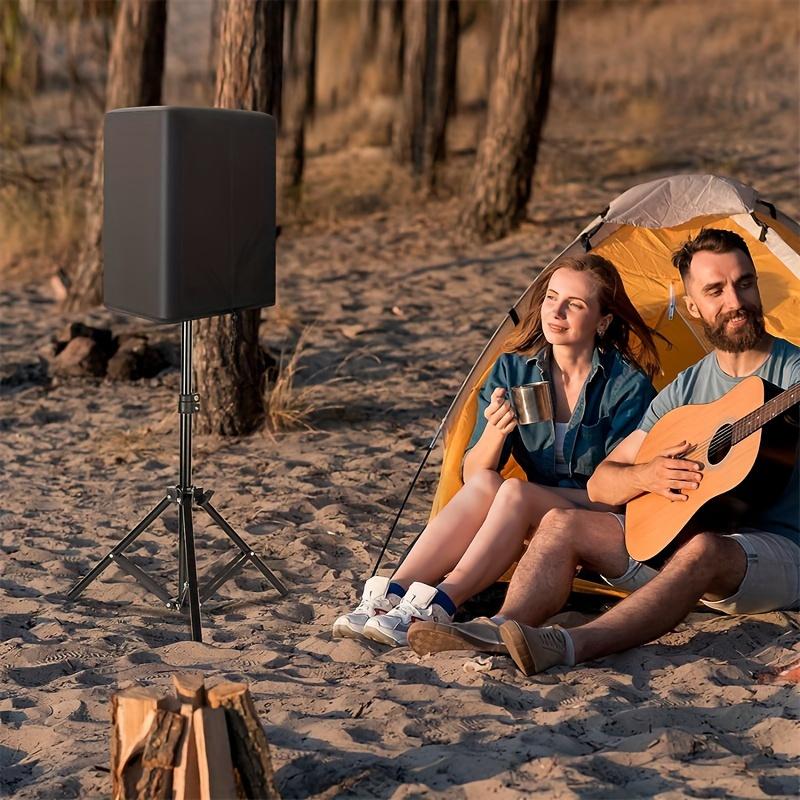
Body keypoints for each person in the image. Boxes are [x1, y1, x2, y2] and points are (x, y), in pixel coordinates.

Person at [408, 228, 800, 674]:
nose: (735, 300)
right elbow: (603, 479)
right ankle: (502, 628)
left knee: (705, 548)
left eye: (744, 283)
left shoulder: (793, 372)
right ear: (693, 307)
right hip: (679, 540)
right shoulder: (686, 387)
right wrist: (645, 475)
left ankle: (571, 644)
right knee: (560, 523)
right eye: (716, 290)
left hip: (779, 550)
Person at [332, 253, 662, 646]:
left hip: (600, 512)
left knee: (515, 491)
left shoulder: (627, 386)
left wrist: (530, 495)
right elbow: (472, 475)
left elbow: (618, 491)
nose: (555, 312)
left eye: (574, 304)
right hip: (534, 504)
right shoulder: (514, 369)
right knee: (491, 483)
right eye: (551, 298)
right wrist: (493, 430)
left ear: (603, 321)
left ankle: (441, 602)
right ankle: (392, 595)